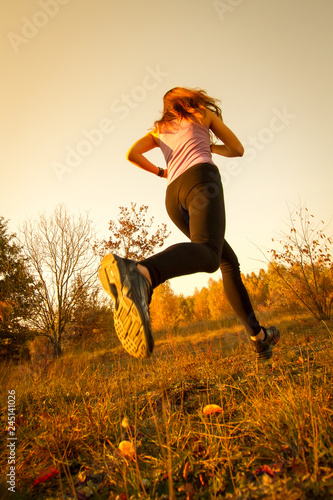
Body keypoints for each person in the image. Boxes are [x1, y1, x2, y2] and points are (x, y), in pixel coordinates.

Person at [99, 87, 280, 360]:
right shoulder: (201, 114)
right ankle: (142, 273)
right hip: (200, 181)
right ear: (190, 98)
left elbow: (131, 154)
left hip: (173, 196)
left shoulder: (160, 129)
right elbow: (238, 149)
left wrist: (162, 171)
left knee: (226, 260)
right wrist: (209, 145)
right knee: (208, 256)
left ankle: (259, 337)